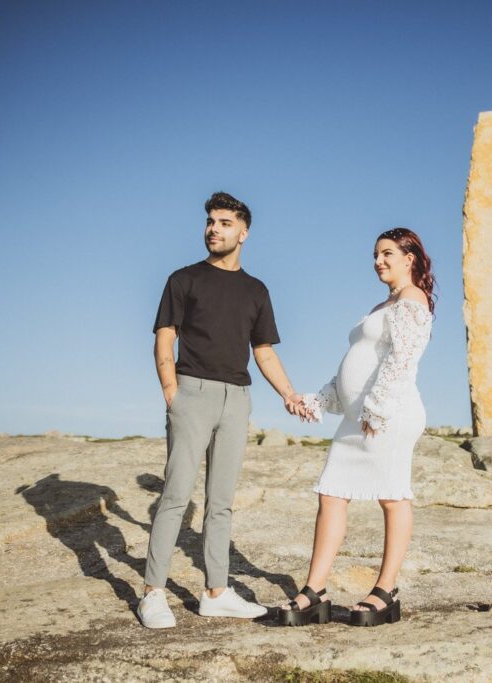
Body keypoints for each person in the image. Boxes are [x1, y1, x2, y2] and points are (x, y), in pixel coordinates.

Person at [137, 191, 311, 629]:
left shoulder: (256, 290)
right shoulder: (184, 279)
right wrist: (171, 392)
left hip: (238, 399)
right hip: (191, 393)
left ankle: (216, 592)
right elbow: (165, 336)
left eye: (225, 222)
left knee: (221, 503)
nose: (214, 228)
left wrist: (289, 394)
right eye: (211, 221)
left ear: (244, 232)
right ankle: (152, 593)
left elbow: (264, 351)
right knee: (175, 496)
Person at [277, 227, 435, 627]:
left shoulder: (413, 299)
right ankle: (314, 591)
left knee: (392, 496)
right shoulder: (384, 304)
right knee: (331, 493)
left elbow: (403, 359)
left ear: (409, 258)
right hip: (359, 417)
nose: (378, 261)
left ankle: (385, 592)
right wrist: (318, 400)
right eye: (375, 255)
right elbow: (355, 366)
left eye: (387, 254)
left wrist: (377, 409)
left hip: (389, 414)